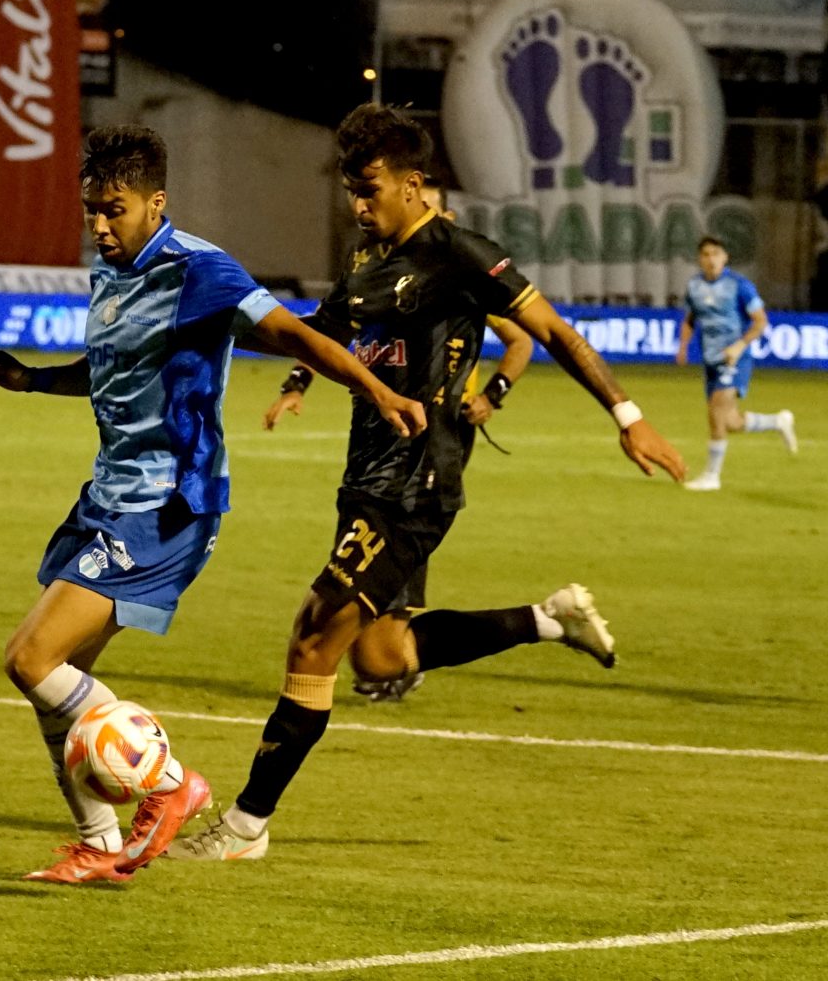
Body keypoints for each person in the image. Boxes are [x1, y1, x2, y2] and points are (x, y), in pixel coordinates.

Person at [165, 103, 685, 862]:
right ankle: (548, 619)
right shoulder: (366, 260)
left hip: (415, 485)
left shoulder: (460, 254)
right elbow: (322, 332)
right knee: (380, 656)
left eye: (369, 189)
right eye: (351, 189)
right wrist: (261, 352)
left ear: (413, 185)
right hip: (365, 479)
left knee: (313, 638)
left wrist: (628, 415)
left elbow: (552, 332)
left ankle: (245, 825)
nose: (358, 204)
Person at [0, 124, 426, 884]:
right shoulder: (110, 272)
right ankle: (100, 845)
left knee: (30, 658)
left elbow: (294, 335)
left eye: (114, 209)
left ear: (157, 203)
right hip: (107, 498)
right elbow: (110, 370)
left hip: (166, 507)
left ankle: (171, 783)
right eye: (91, 209)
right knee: (58, 682)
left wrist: (377, 390)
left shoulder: (200, 270)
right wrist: (32, 380)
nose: (99, 225)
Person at [263, 177, 535, 703]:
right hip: (371, 444)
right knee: (367, 638)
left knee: (368, 614)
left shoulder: (461, 275)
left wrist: (492, 395)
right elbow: (330, 336)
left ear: (444, 217)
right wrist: (295, 384)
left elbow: (522, 338)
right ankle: (396, 646)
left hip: (430, 442)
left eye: (432, 209)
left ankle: (392, 645)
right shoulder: (377, 271)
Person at [676, 236, 797, 491]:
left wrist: (739, 346)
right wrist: (683, 346)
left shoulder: (739, 285)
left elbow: (760, 321)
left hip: (735, 359)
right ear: (700, 259)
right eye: (706, 254)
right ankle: (777, 422)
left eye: (715, 254)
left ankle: (712, 476)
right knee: (730, 422)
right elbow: (690, 318)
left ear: (725, 257)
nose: (711, 259)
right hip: (711, 359)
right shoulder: (695, 286)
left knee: (716, 412)